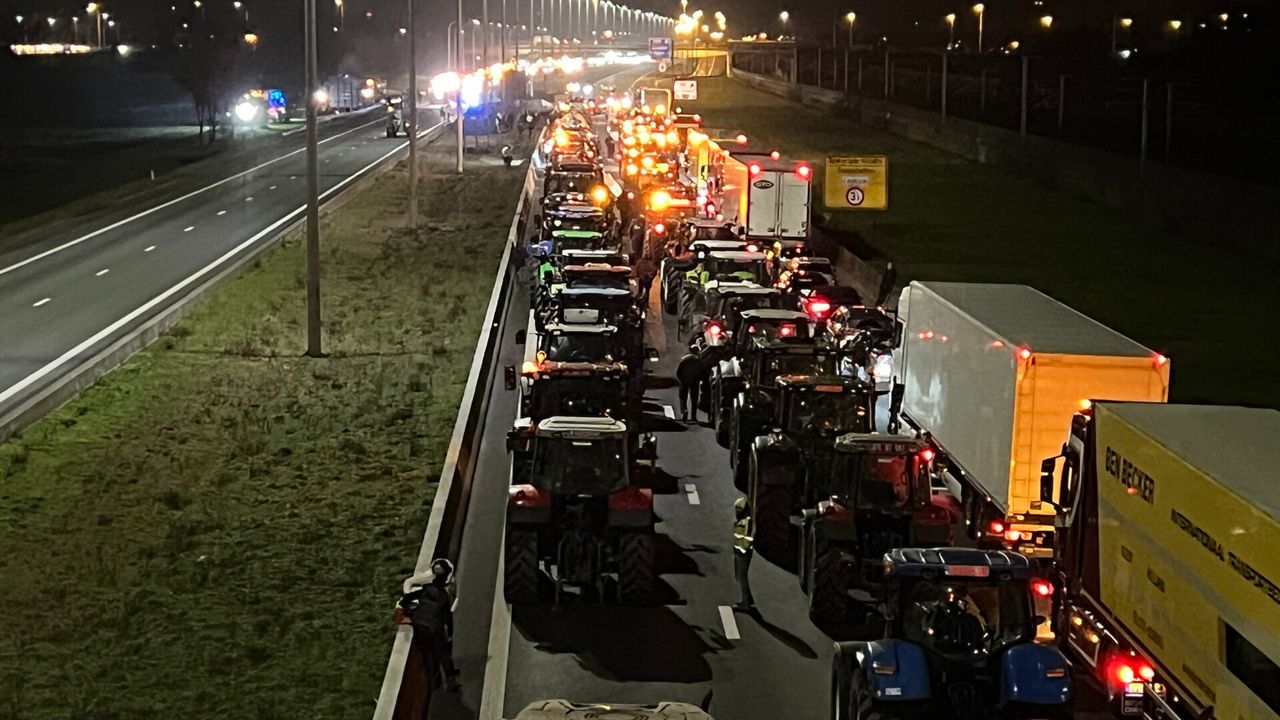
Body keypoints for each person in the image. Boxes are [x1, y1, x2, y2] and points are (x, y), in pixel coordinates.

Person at [398, 559, 460, 691]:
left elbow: (405, 600)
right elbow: (447, 619)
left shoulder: (425, 589)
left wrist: (412, 613)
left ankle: (433, 682)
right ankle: (449, 681)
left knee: (427, 655)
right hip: (433, 627)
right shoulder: (442, 596)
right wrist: (450, 634)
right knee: (442, 653)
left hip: (419, 626)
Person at [732, 497, 755, 611]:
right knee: (739, 577)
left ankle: (746, 603)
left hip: (742, 554)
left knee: (742, 578)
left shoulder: (747, 522)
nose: (737, 511)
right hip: (738, 553)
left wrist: (742, 551)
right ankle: (748, 599)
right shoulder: (741, 520)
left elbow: (748, 539)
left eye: (739, 509)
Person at [676, 351, 706, 423]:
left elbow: (678, 372)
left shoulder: (684, 360)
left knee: (683, 398)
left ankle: (684, 412)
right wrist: (699, 379)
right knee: (694, 399)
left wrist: (682, 379)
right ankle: (693, 416)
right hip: (695, 381)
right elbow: (702, 371)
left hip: (684, 381)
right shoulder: (698, 361)